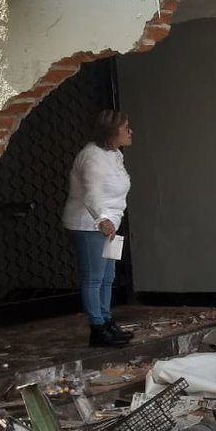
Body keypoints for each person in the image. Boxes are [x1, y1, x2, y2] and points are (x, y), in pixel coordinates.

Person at [62, 110, 135, 348]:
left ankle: (106, 320)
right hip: (89, 225)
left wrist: (111, 222)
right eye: (126, 128)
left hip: (110, 225)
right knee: (93, 278)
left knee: (108, 277)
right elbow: (91, 194)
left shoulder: (114, 154)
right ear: (112, 132)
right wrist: (102, 220)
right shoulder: (92, 157)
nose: (130, 131)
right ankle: (97, 327)